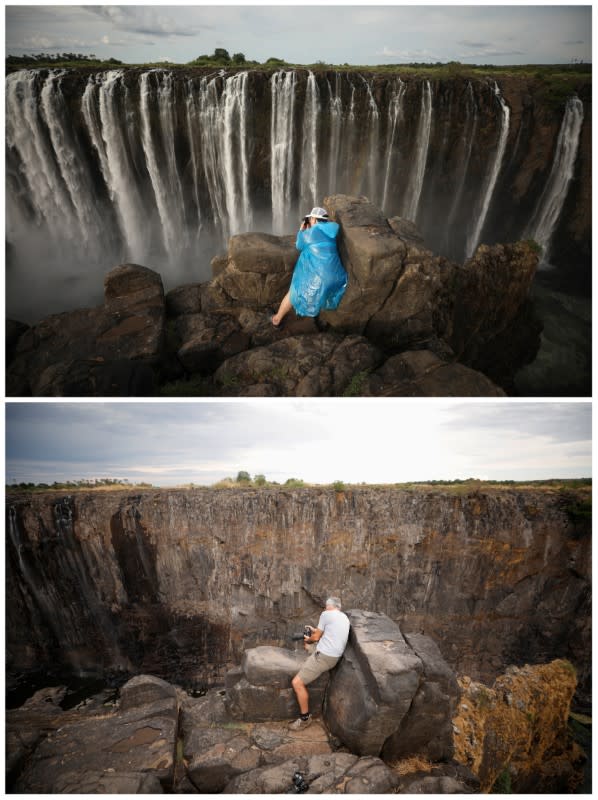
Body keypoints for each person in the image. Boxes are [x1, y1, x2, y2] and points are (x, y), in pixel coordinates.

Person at [271, 207, 347, 328]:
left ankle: (276, 319)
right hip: (338, 278)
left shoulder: (310, 233)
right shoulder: (332, 232)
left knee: (294, 292)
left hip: (321, 279)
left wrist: (302, 231)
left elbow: (299, 245)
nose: (309, 221)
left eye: (310, 219)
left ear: (313, 219)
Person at [288, 596, 350, 731]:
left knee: (296, 683)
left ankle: (305, 718)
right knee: (308, 644)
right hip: (334, 656)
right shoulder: (343, 617)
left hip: (323, 657)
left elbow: (316, 638)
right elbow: (327, 633)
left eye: (325, 607)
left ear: (328, 606)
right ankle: (309, 648)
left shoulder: (326, 614)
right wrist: (314, 631)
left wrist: (310, 638)